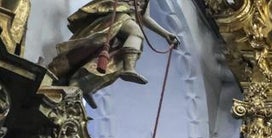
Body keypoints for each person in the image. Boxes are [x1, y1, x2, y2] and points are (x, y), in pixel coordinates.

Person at [47, 0, 179, 99]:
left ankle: (81, 84)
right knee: (136, 33)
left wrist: (166, 34)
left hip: (123, 32)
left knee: (112, 60)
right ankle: (129, 68)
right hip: (116, 17)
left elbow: (145, 17)